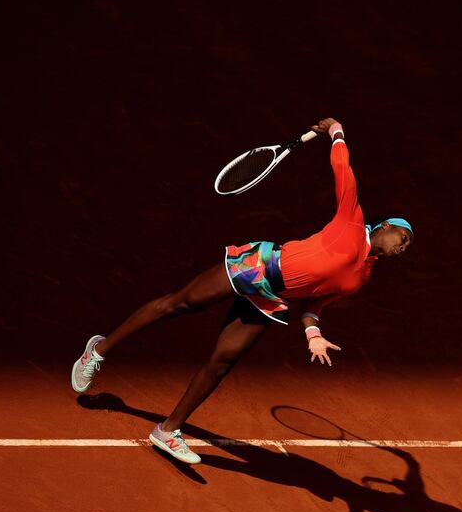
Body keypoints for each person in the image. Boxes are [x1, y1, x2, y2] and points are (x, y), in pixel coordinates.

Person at [71, 118, 414, 464]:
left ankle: (167, 430)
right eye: (402, 238)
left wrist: (313, 333)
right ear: (384, 227)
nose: (402, 247)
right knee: (178, 304)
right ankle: (98, 351)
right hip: (259, 265)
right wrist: (337, 131)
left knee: (222, 361)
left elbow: (315, 302)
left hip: (272, 299)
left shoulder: (361, 278)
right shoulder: (351, 221)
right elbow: (343, 166)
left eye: (406, 247)